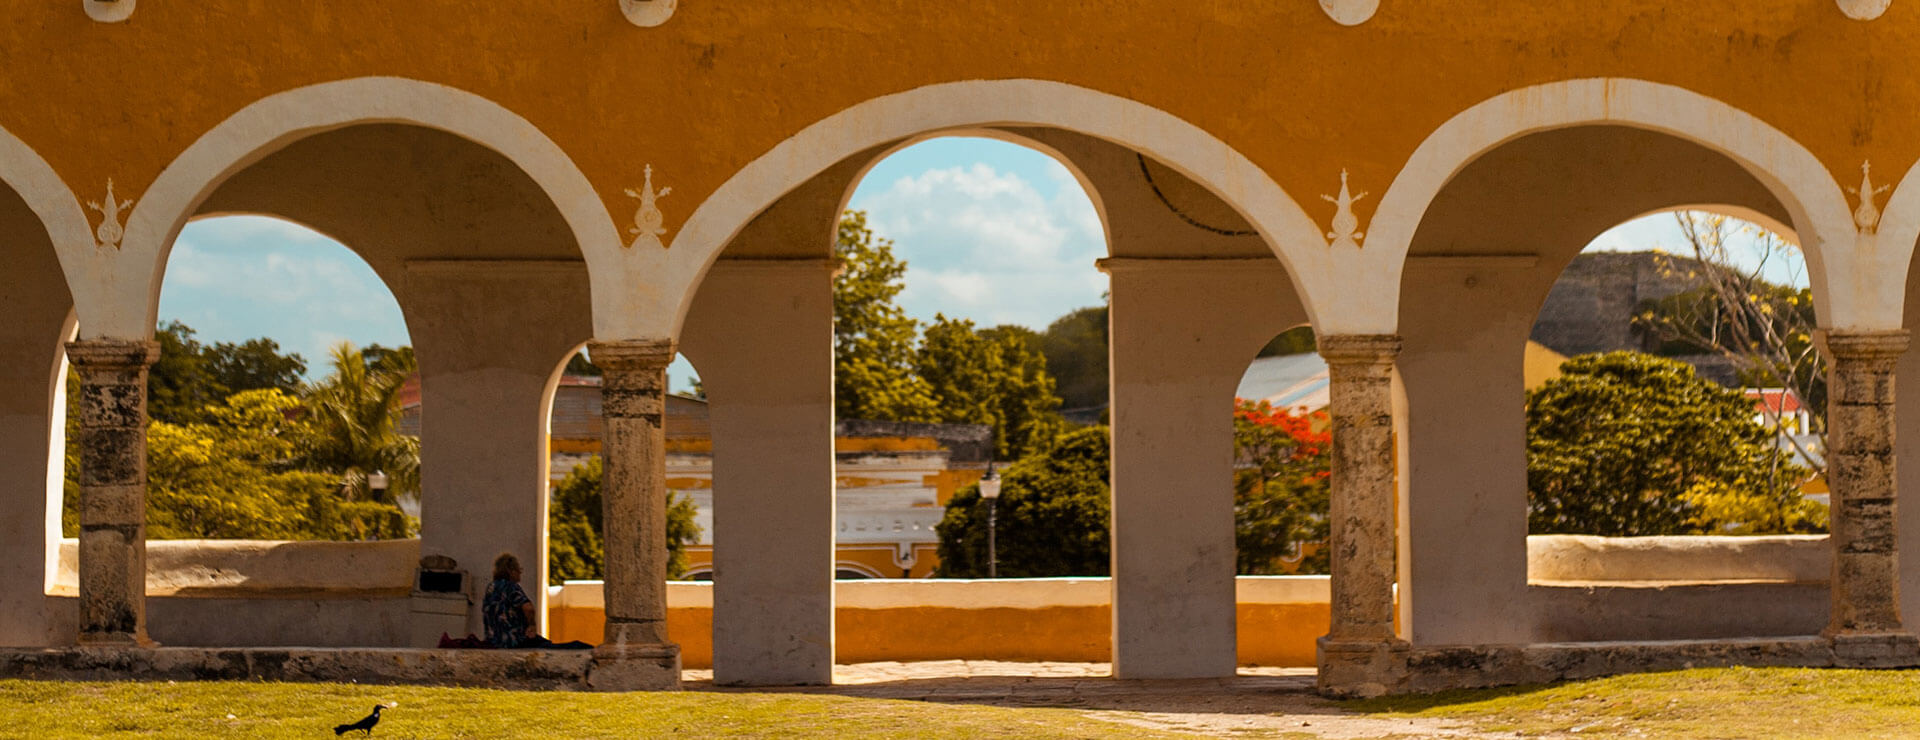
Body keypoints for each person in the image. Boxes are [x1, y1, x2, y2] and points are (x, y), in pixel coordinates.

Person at [483, 552, 591, 649]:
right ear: (511, 571)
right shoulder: (510, 586)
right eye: (519, 570)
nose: (520, 573)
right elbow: (528, 608)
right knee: (575, 647)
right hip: (516, 641)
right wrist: (531, 625)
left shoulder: (491, 588)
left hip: (495, 642)